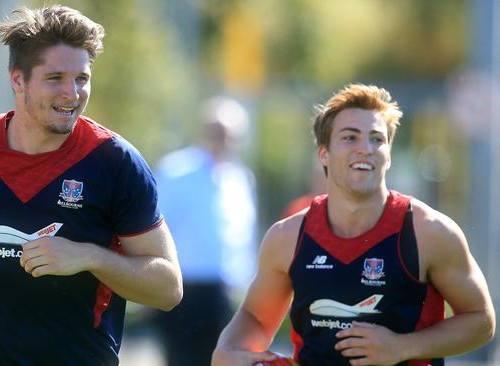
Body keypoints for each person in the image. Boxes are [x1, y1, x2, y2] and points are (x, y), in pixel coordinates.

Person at [0, 5, 182, 366]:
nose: (72, 93)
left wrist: (89, 257)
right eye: (55, 78)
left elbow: (168, 288)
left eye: (82, 78)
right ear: (17, 80)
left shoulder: (115, 161)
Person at [212, 84, 495, 366]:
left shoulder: (429, 232)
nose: (366, 149)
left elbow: (480, 320)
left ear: (389, 155)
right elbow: (256, 318)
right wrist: (231, 351)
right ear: (324, 154)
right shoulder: (288, 236)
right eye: (350, 138)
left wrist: (402, 347)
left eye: (377, 139)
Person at [153, 96, 257, 366]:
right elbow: (158, 226)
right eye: (218, 131)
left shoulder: (240, 177)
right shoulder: (176, 170)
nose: (223, 140)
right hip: (183, 291)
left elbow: (241, 236)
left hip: (221, 293)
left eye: (230, 134)